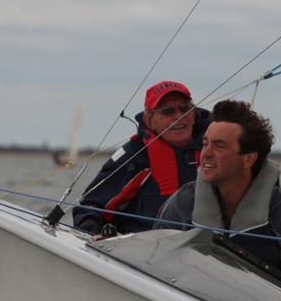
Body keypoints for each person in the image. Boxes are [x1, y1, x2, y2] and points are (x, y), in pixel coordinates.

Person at [156, 100, 281, 282]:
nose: (205, 154)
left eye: (219, 146)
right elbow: (155, 266)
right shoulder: (183, 202)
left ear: (248, 159)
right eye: (205, 143)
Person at [73, 81, 210, 234]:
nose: (179, 116)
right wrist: (91, 229)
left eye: (185, 109)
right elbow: (90, 207)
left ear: (194, 112)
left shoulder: (217, 147)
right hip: (144, 251)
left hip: (210, 251)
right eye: (168, 111)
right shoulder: (136, 155)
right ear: (150, 119)